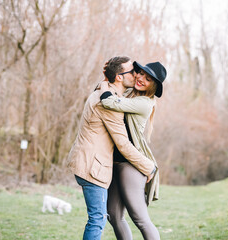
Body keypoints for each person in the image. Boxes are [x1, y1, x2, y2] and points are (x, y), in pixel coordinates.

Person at [67, 56, 156, 240]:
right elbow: (122, 141)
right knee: (105, 217)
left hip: (124, 164)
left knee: (135, 218)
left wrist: (149, 167)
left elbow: (123, 142)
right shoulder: (112, 98)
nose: (137, 76)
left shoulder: (133, 101)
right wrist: (108, 78)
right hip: (98, 166)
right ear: (120, 77)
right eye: (134, 72)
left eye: (146, 78)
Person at [99, 61, 167, 240]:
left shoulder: (144, 103)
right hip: (116, 161)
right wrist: (109, 77)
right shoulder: (129, 94)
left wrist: (105, 83)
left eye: (148, 79)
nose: (141, 79)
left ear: (154, 86)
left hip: (131, 164)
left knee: (140, 219)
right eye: (141, 74)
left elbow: (108, 101)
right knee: (113, 215)